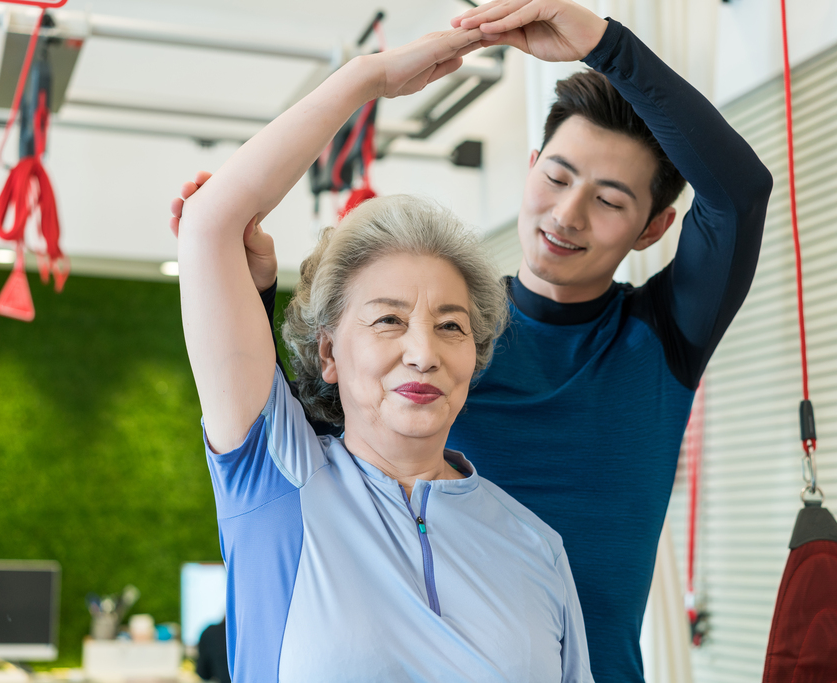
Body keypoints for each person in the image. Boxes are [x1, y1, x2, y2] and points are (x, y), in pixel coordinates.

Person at [172, 1, 773, 679]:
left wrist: (603, 44)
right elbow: (306, 422)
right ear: (529, 164)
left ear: (653, 228)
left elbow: (740, 195)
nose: (566, 214)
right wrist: (243, 289)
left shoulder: (657, 338)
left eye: (608, 201)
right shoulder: (442, 340)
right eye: (556, 176)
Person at [177, 25, 593, 683]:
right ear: (330, 352)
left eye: (451, 326)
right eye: (388, 320)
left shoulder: (536, 546)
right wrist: (370, 79)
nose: (422, 352)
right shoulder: (280, 478)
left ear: (474, 356)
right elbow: (209, 223)